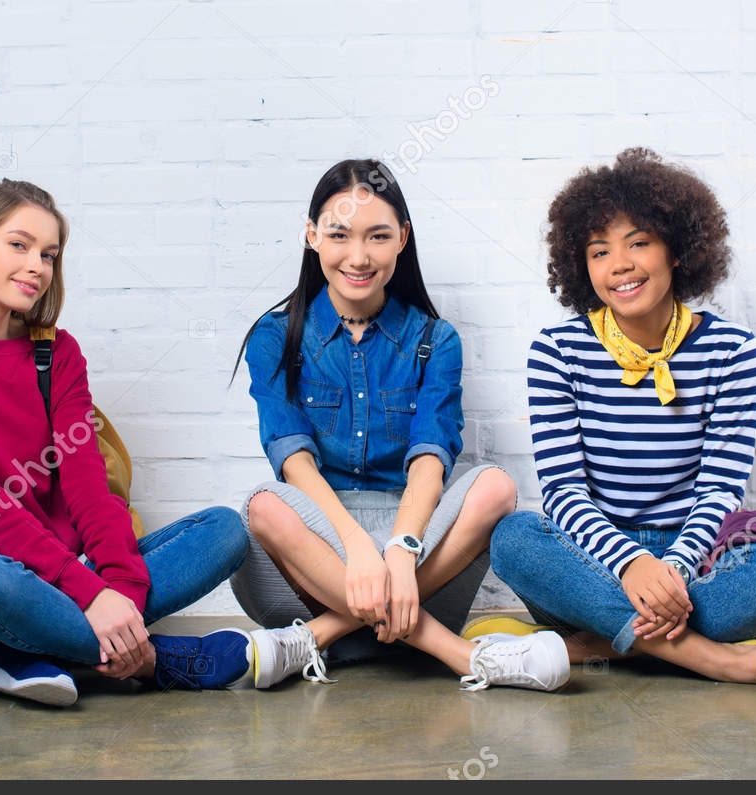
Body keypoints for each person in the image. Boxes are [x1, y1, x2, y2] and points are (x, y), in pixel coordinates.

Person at [0, 179, 252, 706]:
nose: (38, 266)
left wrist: (117, 590)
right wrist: (92, 594)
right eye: (19, 244)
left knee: (226, 531)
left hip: (59, 584)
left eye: (49, 254)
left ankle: (47, 649)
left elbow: (89, 488)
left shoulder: (55, 354)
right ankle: (159, 659)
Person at [481, 148, 756, 688]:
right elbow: (562, 491)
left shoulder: (732, 349)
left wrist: (670, 569)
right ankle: (716, 659)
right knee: (512, 538)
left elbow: (722, 486)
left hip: (695, 564)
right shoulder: (558, 351)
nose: (620, 265)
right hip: (593, 559)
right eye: (600, 251)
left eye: (639, 243)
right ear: (581, 265)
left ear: (677, 250)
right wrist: (632, 566)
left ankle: (592, 644)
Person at [228, 159, 570, 693]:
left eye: (378, 236)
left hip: (419, 560)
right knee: (263, 505)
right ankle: (462, 655)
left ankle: (316, 638)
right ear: (313, 236)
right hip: (309, 558)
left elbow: (431, 460)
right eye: (340, 235)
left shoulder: (437, 339)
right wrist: (359, 549)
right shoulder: (275, 337)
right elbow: (293, 461)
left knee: (498, 486)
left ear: (402, 239)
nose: (358, 257)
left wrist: (398, 550)